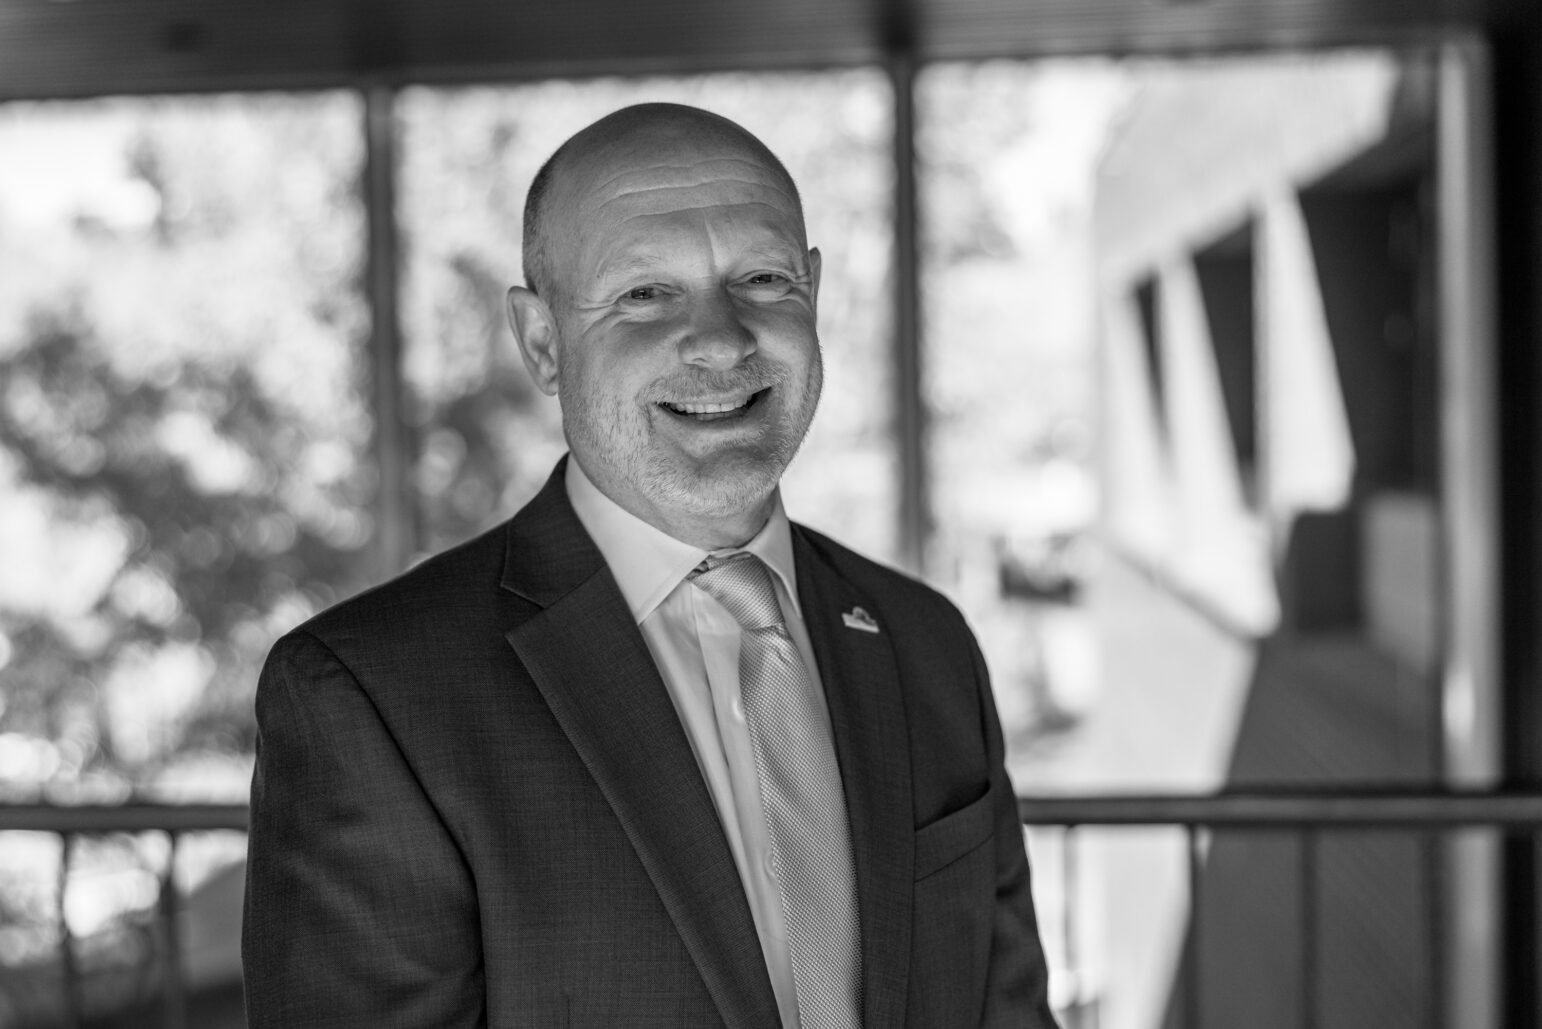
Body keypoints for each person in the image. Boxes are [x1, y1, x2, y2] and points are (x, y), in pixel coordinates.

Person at [242, 102, 1059, 1029]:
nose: (721, 338)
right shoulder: (370, 697)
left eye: (761, 277)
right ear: (543, 342)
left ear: (815, 297)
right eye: (644, 294)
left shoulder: (927, 643)